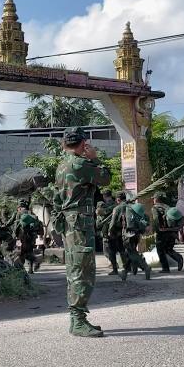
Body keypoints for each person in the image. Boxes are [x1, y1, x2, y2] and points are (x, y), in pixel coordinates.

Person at [53, 127, 110, 337]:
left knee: (75, 267)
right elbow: (105, 178)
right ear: (83, 143)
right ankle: (77, 320)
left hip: (70, 222)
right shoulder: (80, 164)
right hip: (79, 222)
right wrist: (95, 159)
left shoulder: (61, 165)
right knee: (82, 269)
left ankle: (78, 319)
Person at [151, 192, 184, 273]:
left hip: (162, 232)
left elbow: (156, 220)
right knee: (168, 249)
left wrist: (156, 230)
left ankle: (165, 268)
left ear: (156, 199)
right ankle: (178, 258)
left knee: (160, 250)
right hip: (172, 231)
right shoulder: (168, 207)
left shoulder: (155, 208)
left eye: (154, 198)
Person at [121, 202, 152, 280]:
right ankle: (125, 272)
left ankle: (145, 266)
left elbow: (128, 226)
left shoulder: (129, 212)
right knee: (129, 253)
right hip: (136, 236)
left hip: (128, 236)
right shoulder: (141, 215)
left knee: (132, 253)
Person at [15, 201, 44, 274]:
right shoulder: (31, 213)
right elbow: (38, 223)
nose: (18, 209)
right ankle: (31, 269)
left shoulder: (19, 213)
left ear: (20, 207)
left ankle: (22, 270)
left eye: (18, 208)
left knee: (22, 252)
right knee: (30, 251)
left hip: (22, 236)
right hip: (32, 236)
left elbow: (14, 223)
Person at [108, 191, 130, 281]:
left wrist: (110, 231)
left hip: (117, 233)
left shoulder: (117, 208)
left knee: (112, 252)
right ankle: (128, 267)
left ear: (118, 199)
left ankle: (115, 269)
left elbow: (113, 222)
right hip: (128, 232)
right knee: (124, 250)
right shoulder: (130, 206)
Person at [96, 190, 119, 275]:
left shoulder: (108, 205)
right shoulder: (115, 204)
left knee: (108, 251)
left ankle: (115, 266)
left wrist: (99, 212)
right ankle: (118, 265)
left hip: (109, 231)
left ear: (104, 196)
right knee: (116, 249)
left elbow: (103, 214)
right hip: (115, 230)